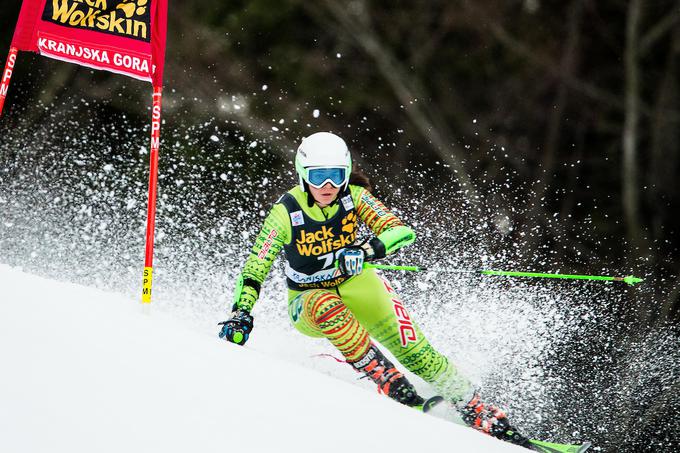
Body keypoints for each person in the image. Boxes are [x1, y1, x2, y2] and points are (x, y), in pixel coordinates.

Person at [219, 132, 531, 447]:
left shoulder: (355, 197)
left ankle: (479, 410)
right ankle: (393, 386)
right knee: (328, 306)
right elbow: (256, 266)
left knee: (417, 352)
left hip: (358, 283)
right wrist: (241, 312)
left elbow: (400, 231)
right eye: (318, 176)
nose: (327, 186)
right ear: (303, 175)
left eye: (335, 176)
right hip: (307, 298)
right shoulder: (286, 211)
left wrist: (366, 251)